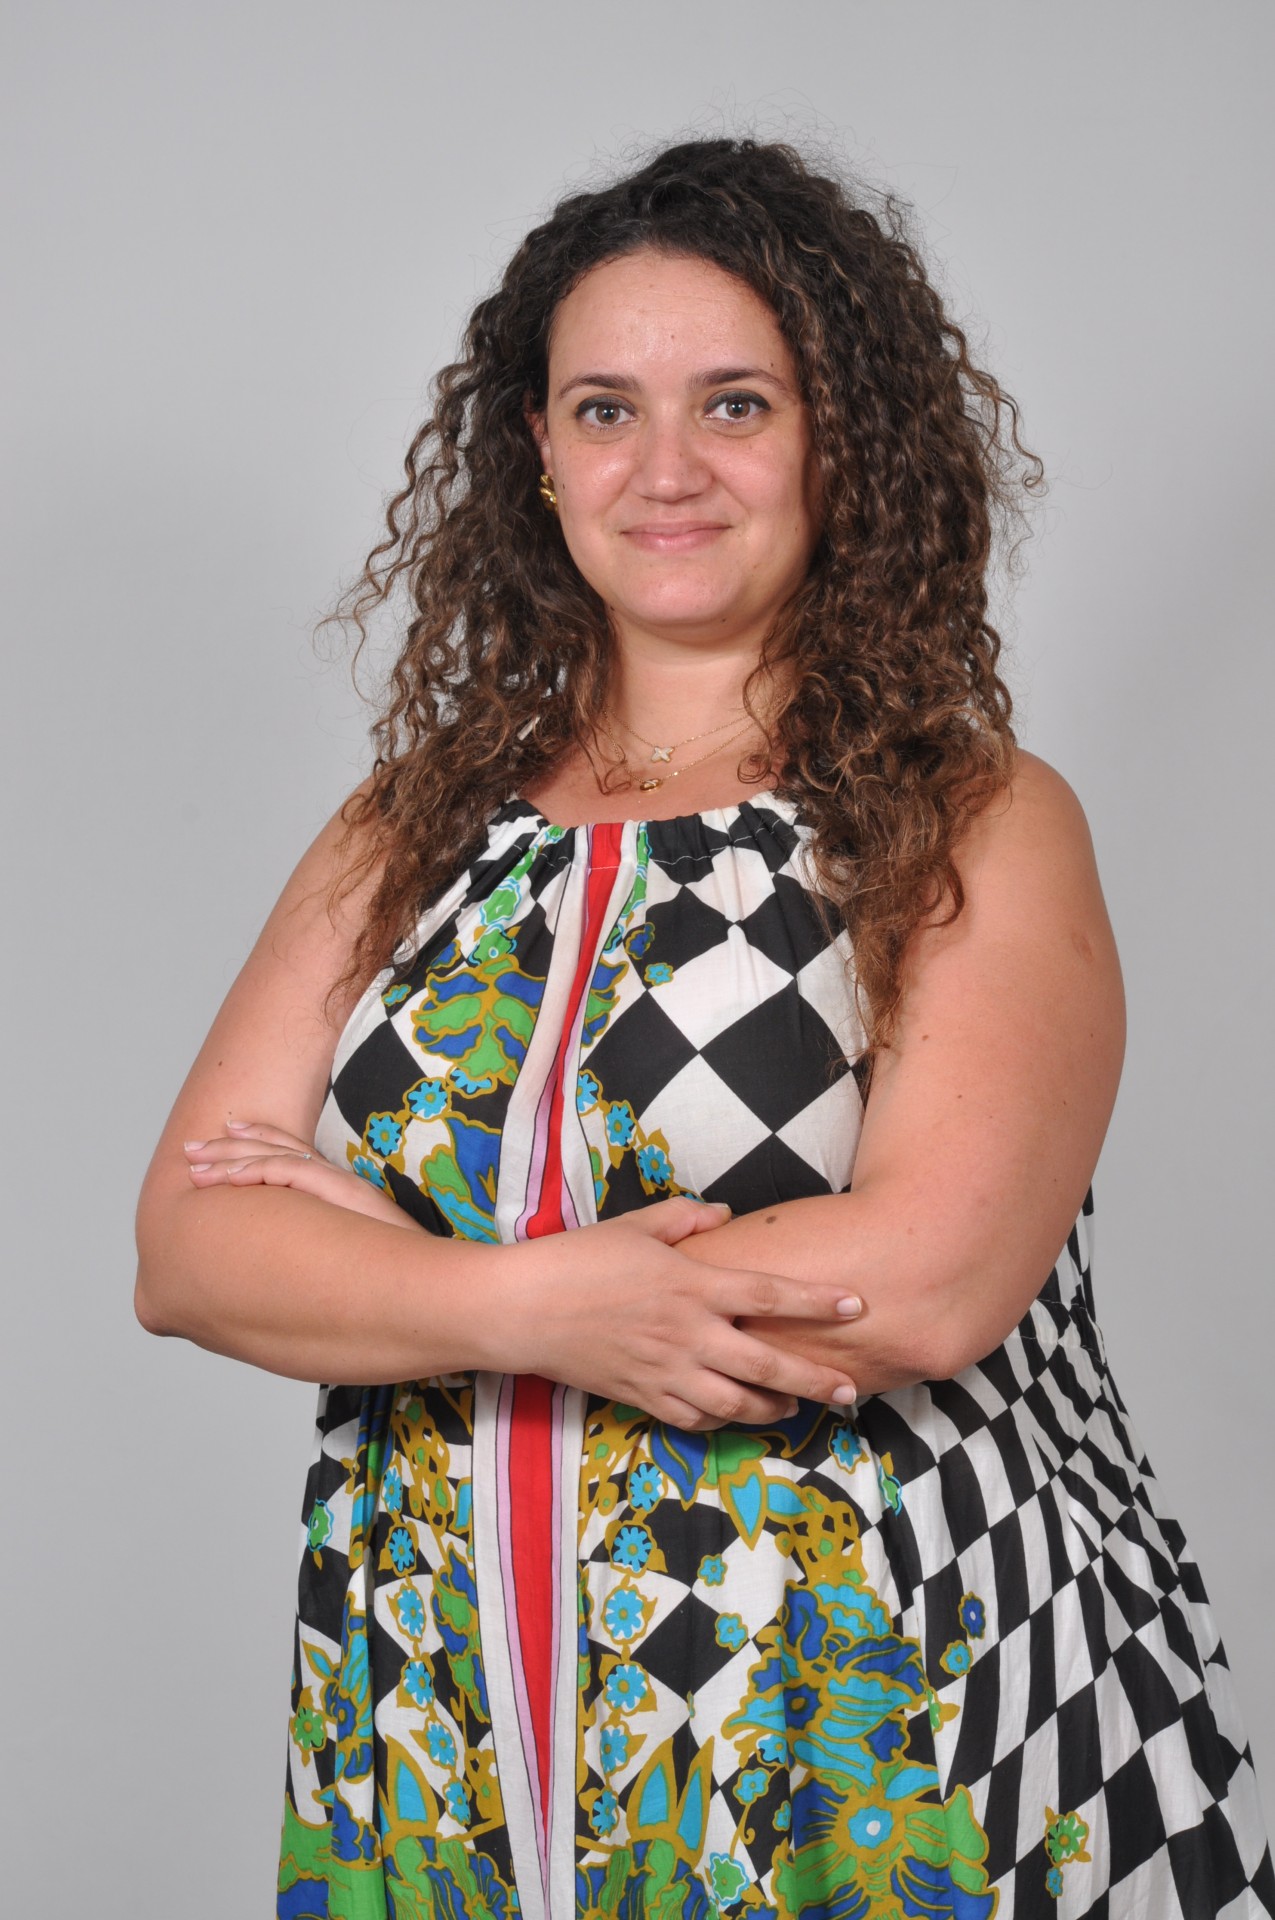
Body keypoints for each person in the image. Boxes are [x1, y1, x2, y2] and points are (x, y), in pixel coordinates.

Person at [134, 137, 1273, 1920]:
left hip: (880, 1709)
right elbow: (190, 1248)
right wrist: (536, 1305)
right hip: (441, 1713)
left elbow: (927, 1279)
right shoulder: (408, 829)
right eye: (606, 410)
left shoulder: (973, 815)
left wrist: (402, 1280)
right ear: (539, 450)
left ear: (838, 437)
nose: (665, 469)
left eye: (735, 403)